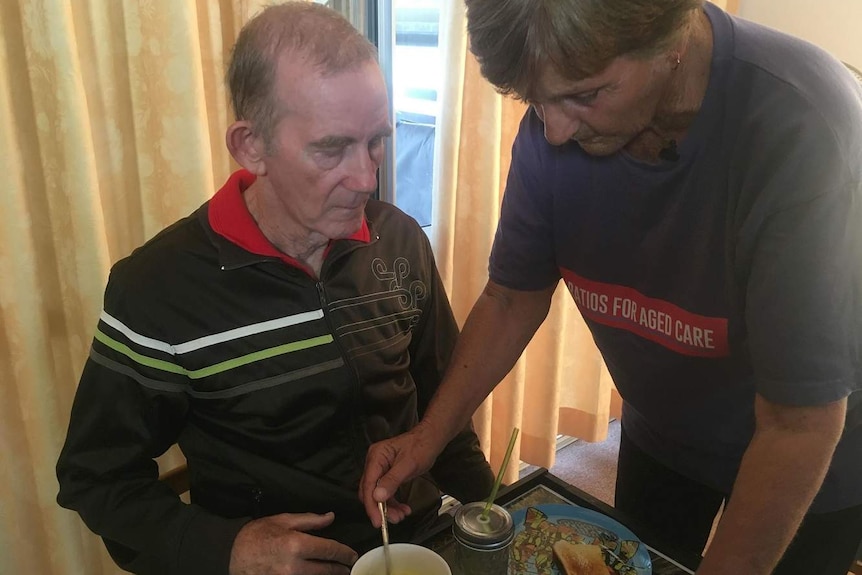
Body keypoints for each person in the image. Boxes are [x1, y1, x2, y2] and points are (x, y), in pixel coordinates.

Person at [360, 1, 862, 574]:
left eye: (585, 94)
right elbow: (510, 298)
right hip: (663, 431)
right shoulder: (554, 131)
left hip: (807, 453)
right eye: (534, 100)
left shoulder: (799, 122)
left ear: (671, 38)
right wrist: (428, 437)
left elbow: (800, 423)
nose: (553, 130)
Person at [55, 3, 494, 575]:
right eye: (332, 148)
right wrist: (225, 548)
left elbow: (445, 401)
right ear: (250, 146)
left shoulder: (399, 240)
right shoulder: (156, 291)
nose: (367, 177)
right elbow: (96, 476)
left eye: (376, 141)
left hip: (421, 544)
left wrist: (493, 508)